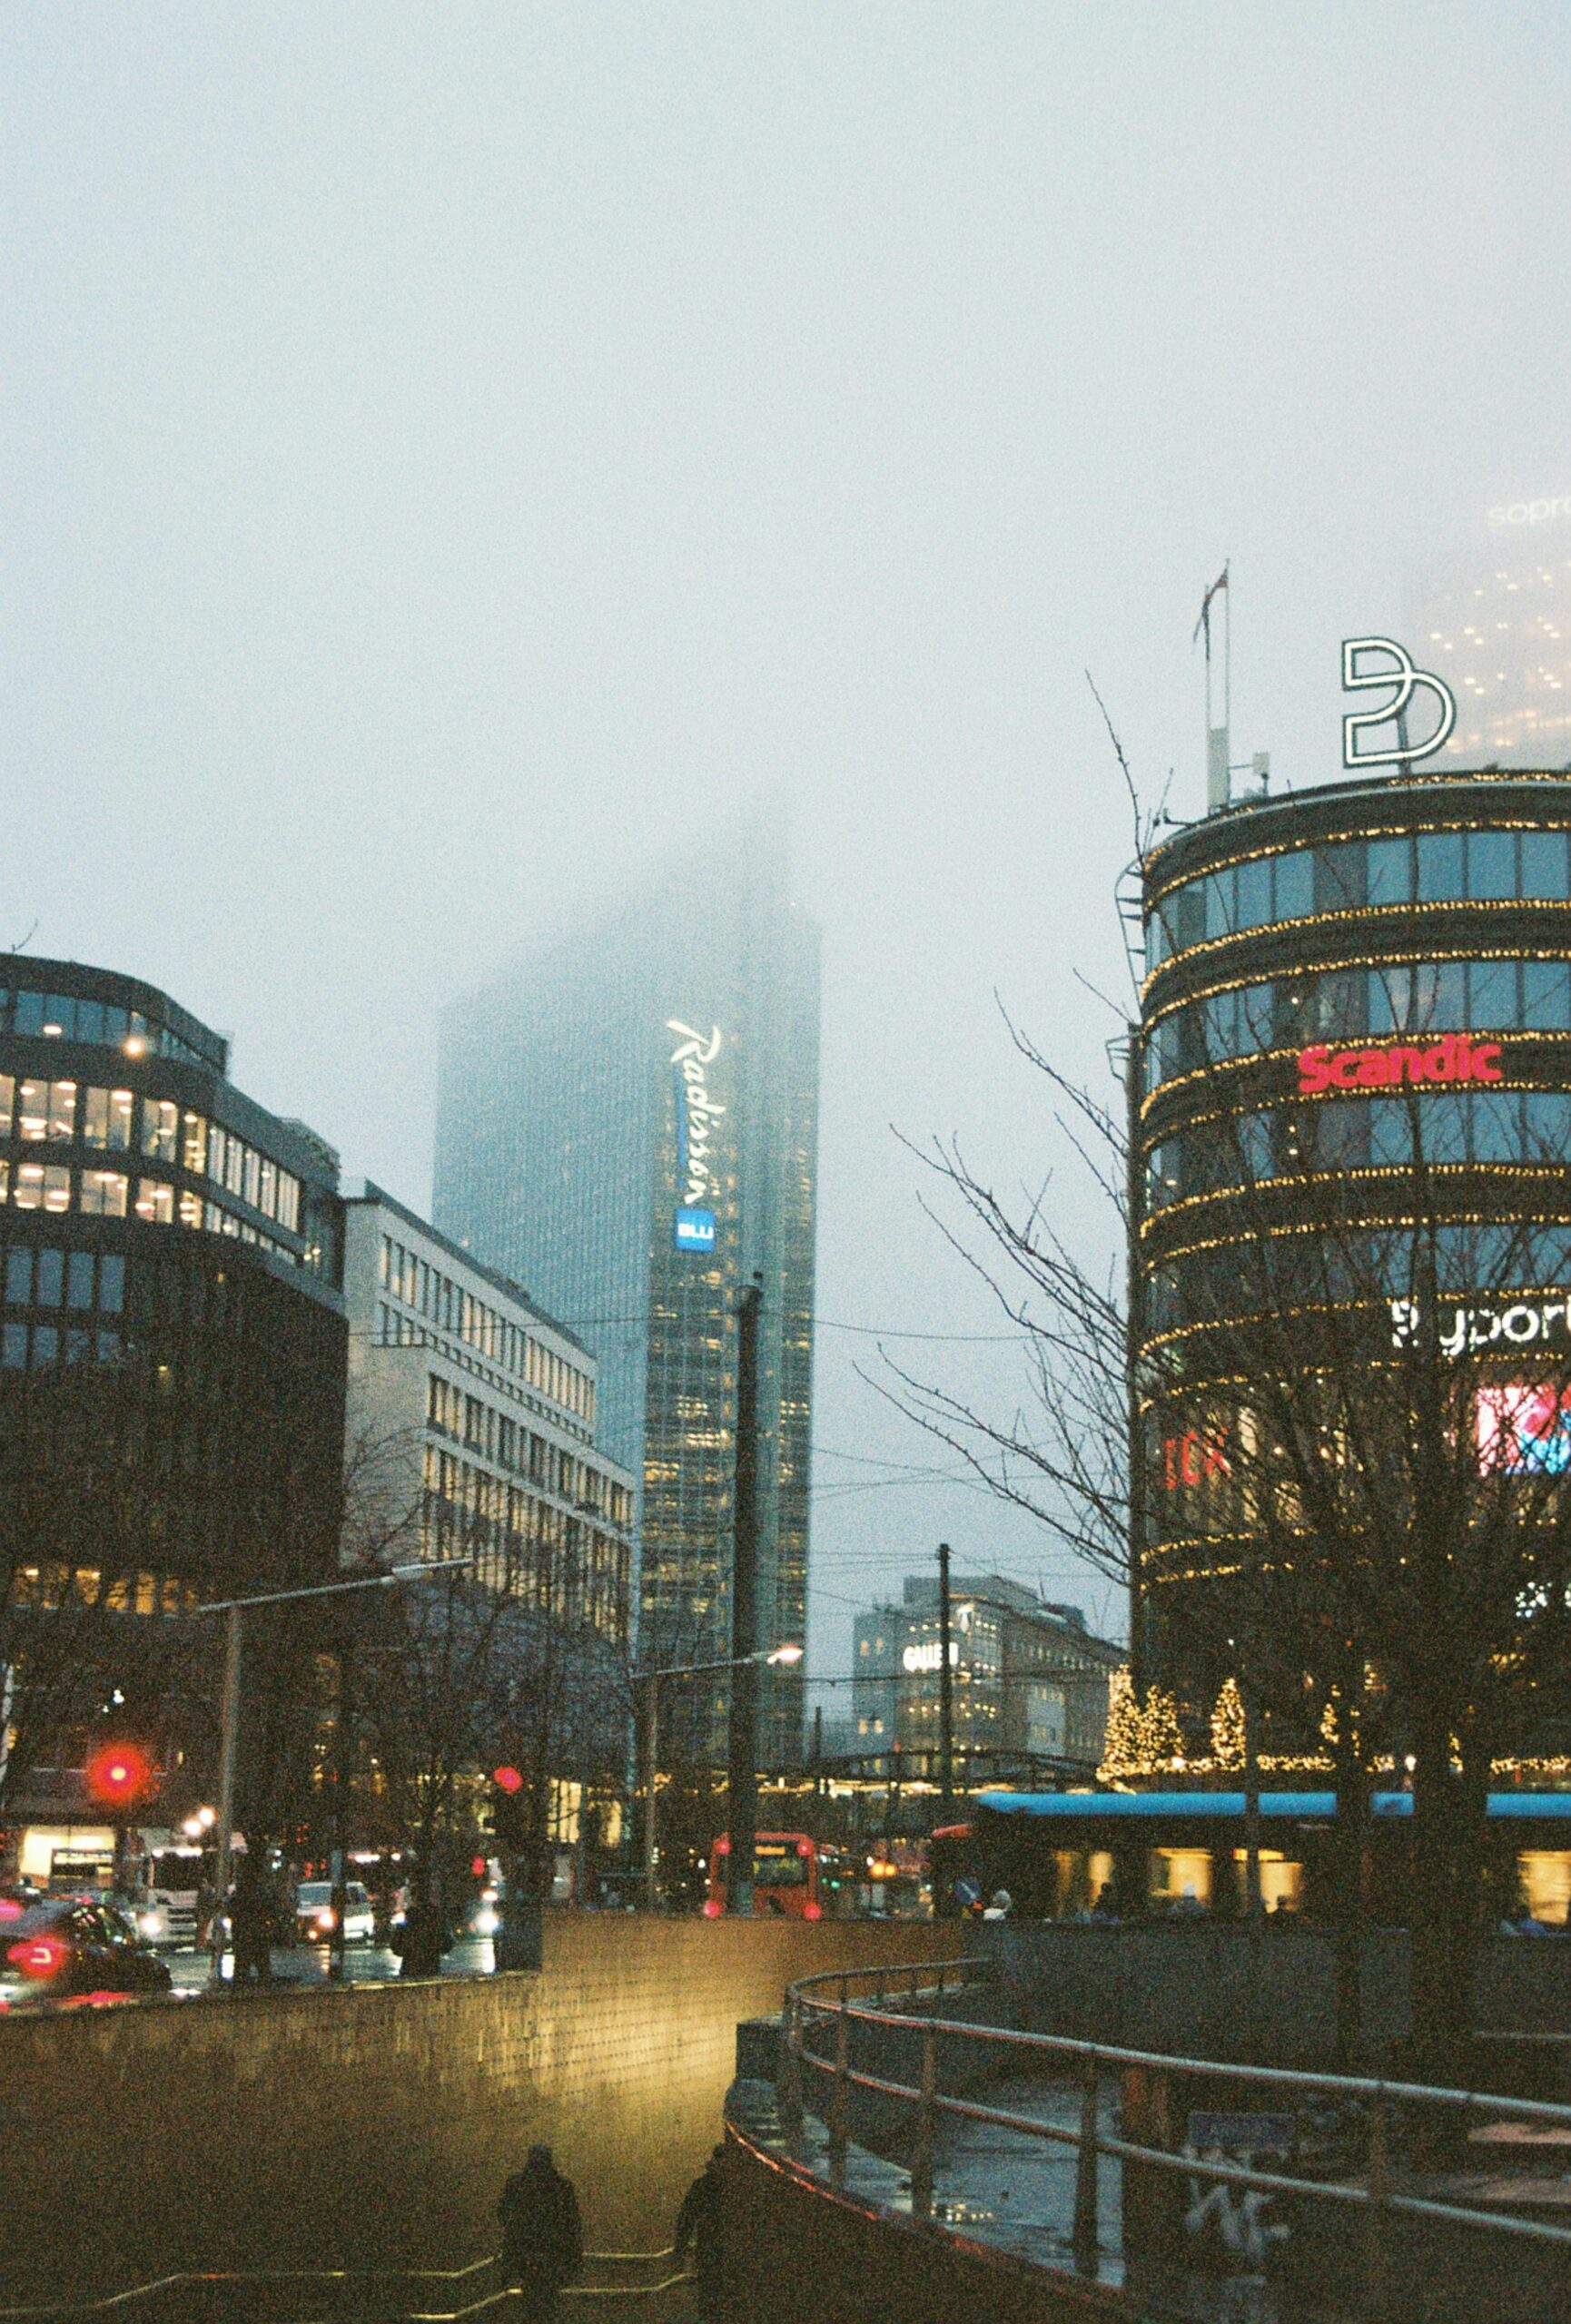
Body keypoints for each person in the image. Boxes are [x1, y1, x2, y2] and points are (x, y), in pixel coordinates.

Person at [498, 2144, 583, 2322]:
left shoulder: (517, 2184)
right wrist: (573, 2257)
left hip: (526, 2254)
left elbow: (504, 2215)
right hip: (552, 2255)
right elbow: (572, 2223)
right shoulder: (562, 2186)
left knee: (531, 2300)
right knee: (549, 2301)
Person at [675, 2144, 726, 2320]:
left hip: (709, 2253)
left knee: (709, 2303)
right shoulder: (736, 2189)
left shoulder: (703, 2186)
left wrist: (680, 2250)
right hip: (719, 2255)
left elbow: (686, 2219)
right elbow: (686, 2219)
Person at [228, 1853, 273, 1988]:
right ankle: (263, 1987)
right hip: (257, 1933)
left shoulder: (242, 1892)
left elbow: (233, 1910)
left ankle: (243, 1989)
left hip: (245, 1934)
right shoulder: (259, 1891)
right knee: (261, 1965)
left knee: (243, 1966)